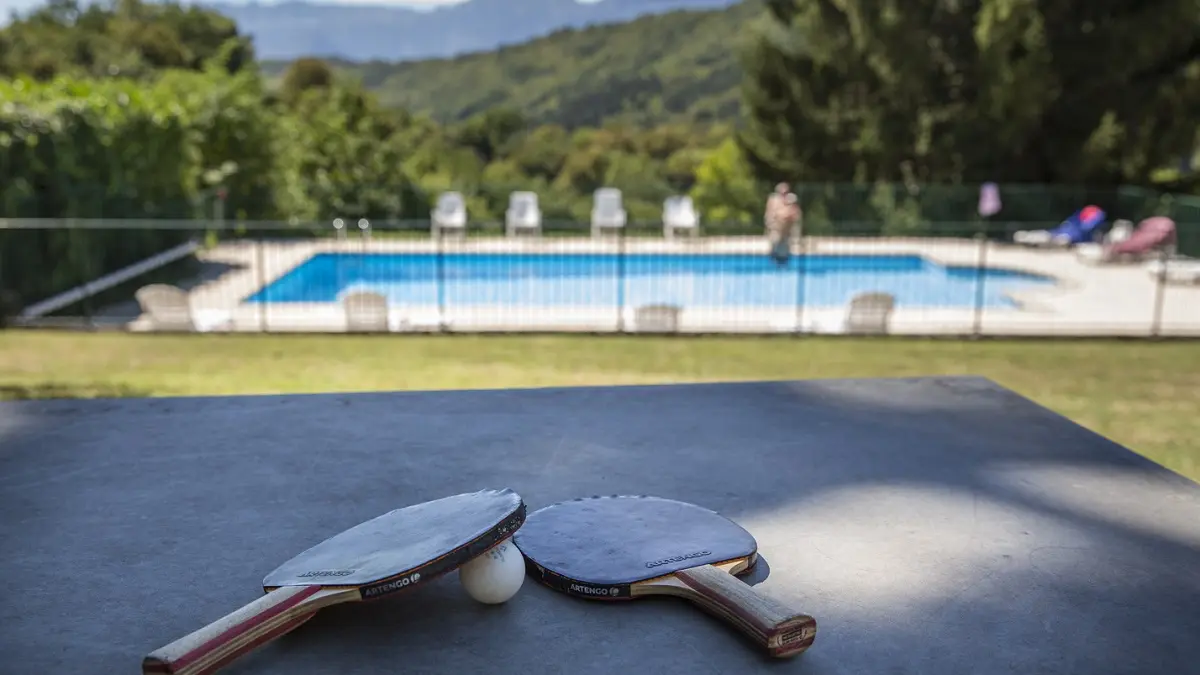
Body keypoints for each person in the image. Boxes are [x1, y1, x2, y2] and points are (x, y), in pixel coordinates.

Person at [764, 182, 800, 266]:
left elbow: (796, 214)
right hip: (776, 227)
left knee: (785, 247)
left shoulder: (790, 200)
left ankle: (783, 262)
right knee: (775, 244)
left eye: (786, 192)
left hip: (786, 229)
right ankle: (773, 262)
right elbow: (773, 214)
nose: (784, 194)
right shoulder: (774, 200)